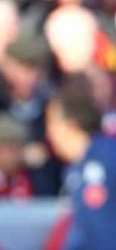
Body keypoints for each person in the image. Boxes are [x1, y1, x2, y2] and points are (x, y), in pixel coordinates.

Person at [46, 80, 116, 250]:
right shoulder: (79, 166)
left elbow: (101, 233)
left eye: (51, 123)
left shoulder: (102, 164)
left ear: (71, 124)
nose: (49, 133)